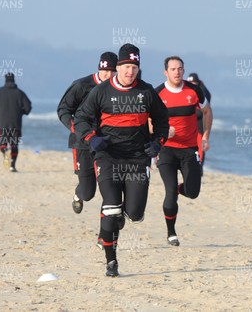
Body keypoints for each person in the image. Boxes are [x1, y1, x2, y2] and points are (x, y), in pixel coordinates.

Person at [74, 43, 169, 277]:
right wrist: (91, 138)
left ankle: (126, 214)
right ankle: (111, 261)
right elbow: (83, 118)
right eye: (126, 67)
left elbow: (162, 121)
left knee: (135, 214)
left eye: (134, 67)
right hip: (108, 157)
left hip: (137, 159)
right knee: (111, 209)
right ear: (118, 67)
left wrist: (157, 142)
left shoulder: (146, 92)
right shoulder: (102, 91)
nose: (130, 72)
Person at [155, 57, 212, 247]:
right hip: (167, 151)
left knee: (193, 192)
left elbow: (207, 111)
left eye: (180, 69)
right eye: (173, 69)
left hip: (189, 150)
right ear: (166, 72)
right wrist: (162, 132)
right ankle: (171, 232)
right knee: (170, 193)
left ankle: (180, 189)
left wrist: (205, 135)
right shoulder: (158, 94)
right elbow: (148, 121)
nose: (177, 72)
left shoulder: (194, 90)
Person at [57, 52, 118, 214]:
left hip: (106, 143)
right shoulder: (81, 85)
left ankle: (115, 212)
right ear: (99, 68)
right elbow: (63, 109)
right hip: (82, 143)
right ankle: (79, 194)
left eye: (113, 71)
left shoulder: (117, 88)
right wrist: (75, 128)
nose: (109, 75)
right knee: (88, 193)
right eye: (106, 70)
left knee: (111, 182)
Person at [0, 73, 32, 172]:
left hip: (2, 123)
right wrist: (21, 112)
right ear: (14, 80)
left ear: (5, 80)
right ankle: (12, 166)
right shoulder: (20, 93)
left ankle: (4, 151)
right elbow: (28, 108)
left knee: (2, 143)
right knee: (14, 144)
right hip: (15, 124)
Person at [186, 73, 212, 175]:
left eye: (194, 82)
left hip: (200, 121)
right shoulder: (188, 90)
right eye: (190, 82)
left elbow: (205, 110)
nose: (192, 84)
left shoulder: (203, 91)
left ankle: (199, 168)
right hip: (192, 122)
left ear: (198, 82)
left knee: (201, 145)